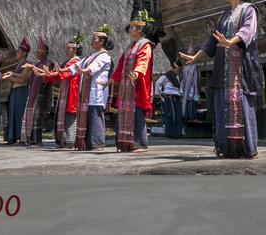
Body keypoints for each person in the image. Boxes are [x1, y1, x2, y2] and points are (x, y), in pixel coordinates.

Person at [179, 0, 264, 159]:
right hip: (222, 70)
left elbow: (247, 31)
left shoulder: (249, 10)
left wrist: (229, 42)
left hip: (241, 70)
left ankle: (247, 149)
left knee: (242, 105)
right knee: (221, 105)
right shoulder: (224, 15)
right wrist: (195, 57)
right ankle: (227, 148)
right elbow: (212, 41)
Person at [110, 11, 155, 153]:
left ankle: (140, 143)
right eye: (130, 27)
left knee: (137, 114)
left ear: (141, 29)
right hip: (126, 86)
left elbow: (144, 61)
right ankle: (125, 143)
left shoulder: (145, 45)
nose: (130, 30)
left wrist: (137, 72)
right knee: (124, 112)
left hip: (137, 85)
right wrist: (112, 79)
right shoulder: (130, 46)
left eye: (133, 27)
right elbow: (121, 64)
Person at [71, 25, 114, 151]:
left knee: (95, 117)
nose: (92, 40)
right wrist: (59, 71)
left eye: (94, 38)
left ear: (102, 42)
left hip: (97, 92)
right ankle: (88, 144)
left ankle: (97, 144)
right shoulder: (91, 56)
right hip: (88, 92)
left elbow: (93, 67)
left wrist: (83, 70)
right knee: (88, 116)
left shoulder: (104, 56)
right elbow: (76, 66)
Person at [1, 39, 32, 145]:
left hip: (21, 91)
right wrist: (10, 76)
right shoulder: (17, 65)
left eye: (18, 51)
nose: (16, 53)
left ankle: (20, 137)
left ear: (24, 53)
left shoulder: (27, 64)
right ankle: (12, 137)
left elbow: (24, 79)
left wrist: (11, 76)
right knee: (12, 114)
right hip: (14, 91)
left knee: (19, 114)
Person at [155, 62, 184, 139]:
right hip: (169, 97)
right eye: (177, 70)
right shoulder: (167, 76)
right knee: (171, 115)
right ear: (173, 68)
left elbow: (180, 87)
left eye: (179, 70)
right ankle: (170, 133)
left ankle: (177, 133)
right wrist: (162, 93)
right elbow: (158, 83)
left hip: (176, 97)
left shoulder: (177, 77)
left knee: (178, 115)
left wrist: (181, 94)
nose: (178, 71)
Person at [180, 59, 201, 125]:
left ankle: (191, 121)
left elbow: (197, 81)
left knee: (191, 106)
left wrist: (196, 93)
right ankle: (187, 121)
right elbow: (182, 80)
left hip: (192, 91)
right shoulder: (184, 68)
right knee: (187, 107)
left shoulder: (195, 68)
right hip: (185, 91)